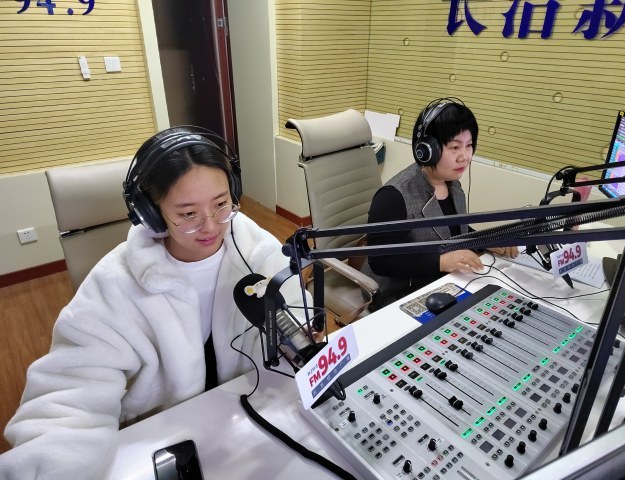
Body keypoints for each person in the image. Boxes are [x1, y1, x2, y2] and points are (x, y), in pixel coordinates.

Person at [0, 126, 306, 479]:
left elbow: (297, 322)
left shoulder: (259, 253)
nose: (211, 226)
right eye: (188, 214)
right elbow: (67, 398)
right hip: (162, 442)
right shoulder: (114, 284)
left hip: (247, 425)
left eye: (222, 204)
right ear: (151, 212)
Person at [364, 98, 518, 310]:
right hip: (400, 293)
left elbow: (452, 230)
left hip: (443, 283)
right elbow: (381, 262)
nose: (465, 157)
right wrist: (442, 261)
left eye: (469, 145)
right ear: (428, 150)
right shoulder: (394, 196)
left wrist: (486, 240)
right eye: (455, 147)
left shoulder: (452, 184)